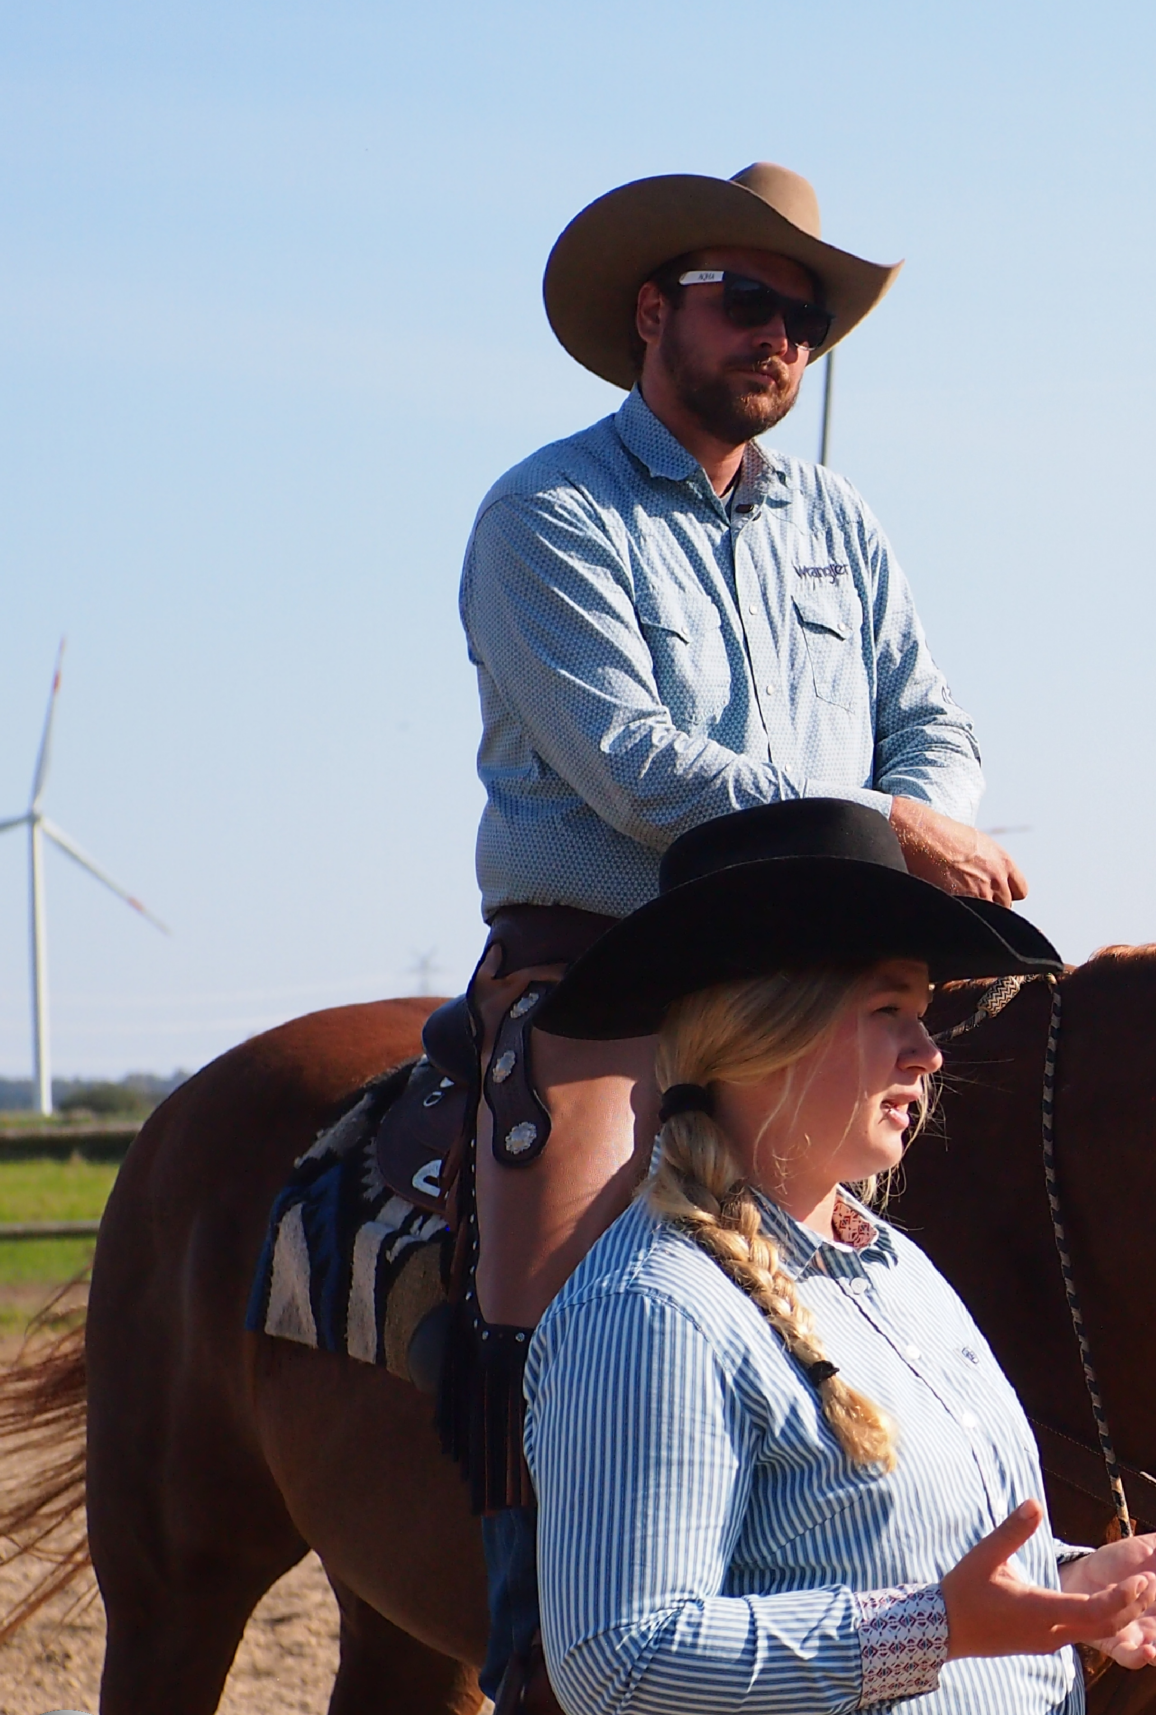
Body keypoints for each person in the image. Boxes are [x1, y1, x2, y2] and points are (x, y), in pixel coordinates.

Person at [450, 162, 1031, 1704]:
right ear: (656, 312)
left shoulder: (841, 523)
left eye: (811, 319)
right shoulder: (544, 513)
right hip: (611, 966)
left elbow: (937, 718)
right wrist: (888, 831)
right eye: (751, 301)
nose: (786, 335)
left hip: (824, 960)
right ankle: (540, 1634)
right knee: (569, 1280)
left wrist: (913, 816)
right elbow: (637, 768)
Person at [520, 798, 1156, 1713]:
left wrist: (1068, 1590)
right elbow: (618, 1662)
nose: (929, 1055)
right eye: (889, 1012)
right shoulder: (652, 1309)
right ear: (761, 1035)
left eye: (924, 1014)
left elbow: (901, 1556)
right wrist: (939, 1628)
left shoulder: (900, 1269)